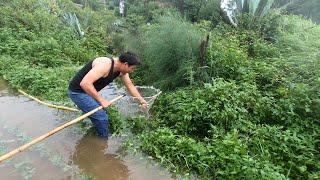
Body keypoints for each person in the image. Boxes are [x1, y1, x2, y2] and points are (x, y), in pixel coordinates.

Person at [68, 52, 148, 138]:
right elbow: (85, 84)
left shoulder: (121, 71)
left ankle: (96, 128)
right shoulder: (105, 65)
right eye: (133, 68)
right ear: (126, 64)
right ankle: (102, 142)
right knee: (101, 117)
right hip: (77, 92)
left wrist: (142, 101)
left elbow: (130, 86)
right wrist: (102, 100)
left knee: (104, 112)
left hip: (87, 92)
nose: (132, 71)